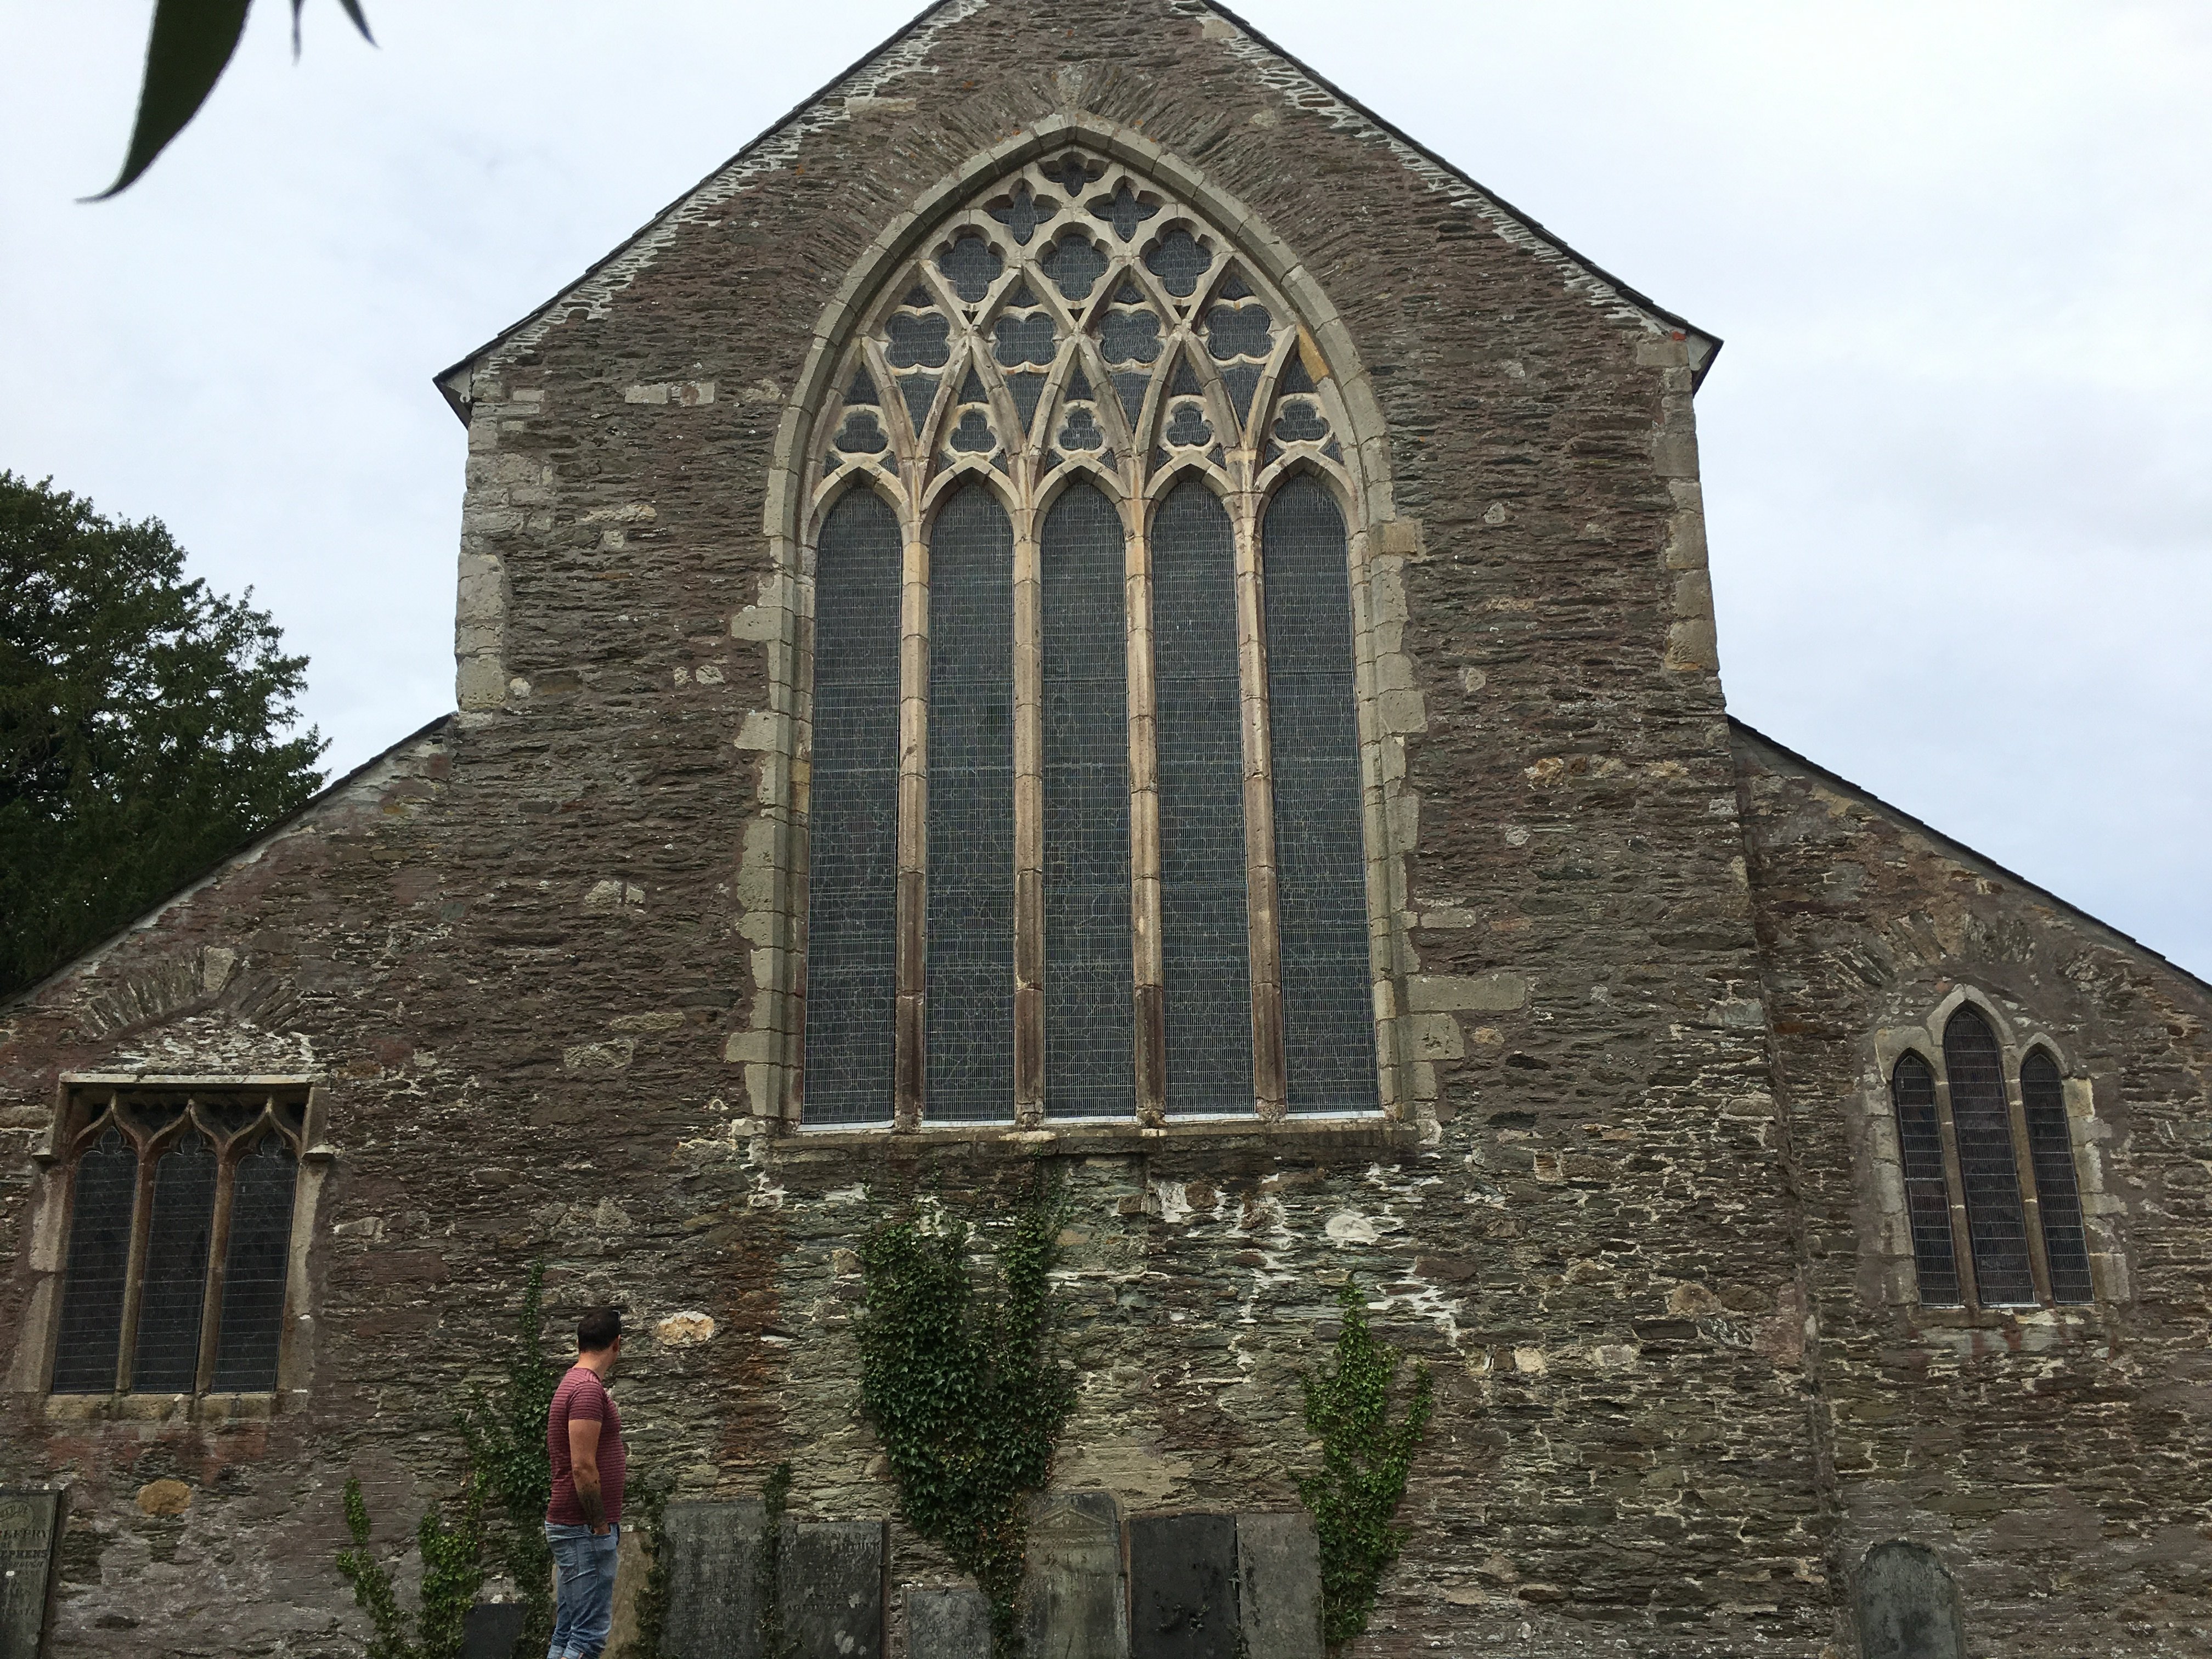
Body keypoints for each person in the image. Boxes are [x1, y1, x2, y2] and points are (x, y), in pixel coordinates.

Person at [545, 1307, 627, 1659]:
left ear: (578, 1343)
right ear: (617, 1345)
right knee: (587, 1639)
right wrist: (599, 1526)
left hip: (576, 1528)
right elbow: (582, 1466)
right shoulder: (587, 1390)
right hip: (584, 1529)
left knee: (568, 1634)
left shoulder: (574, 1383)